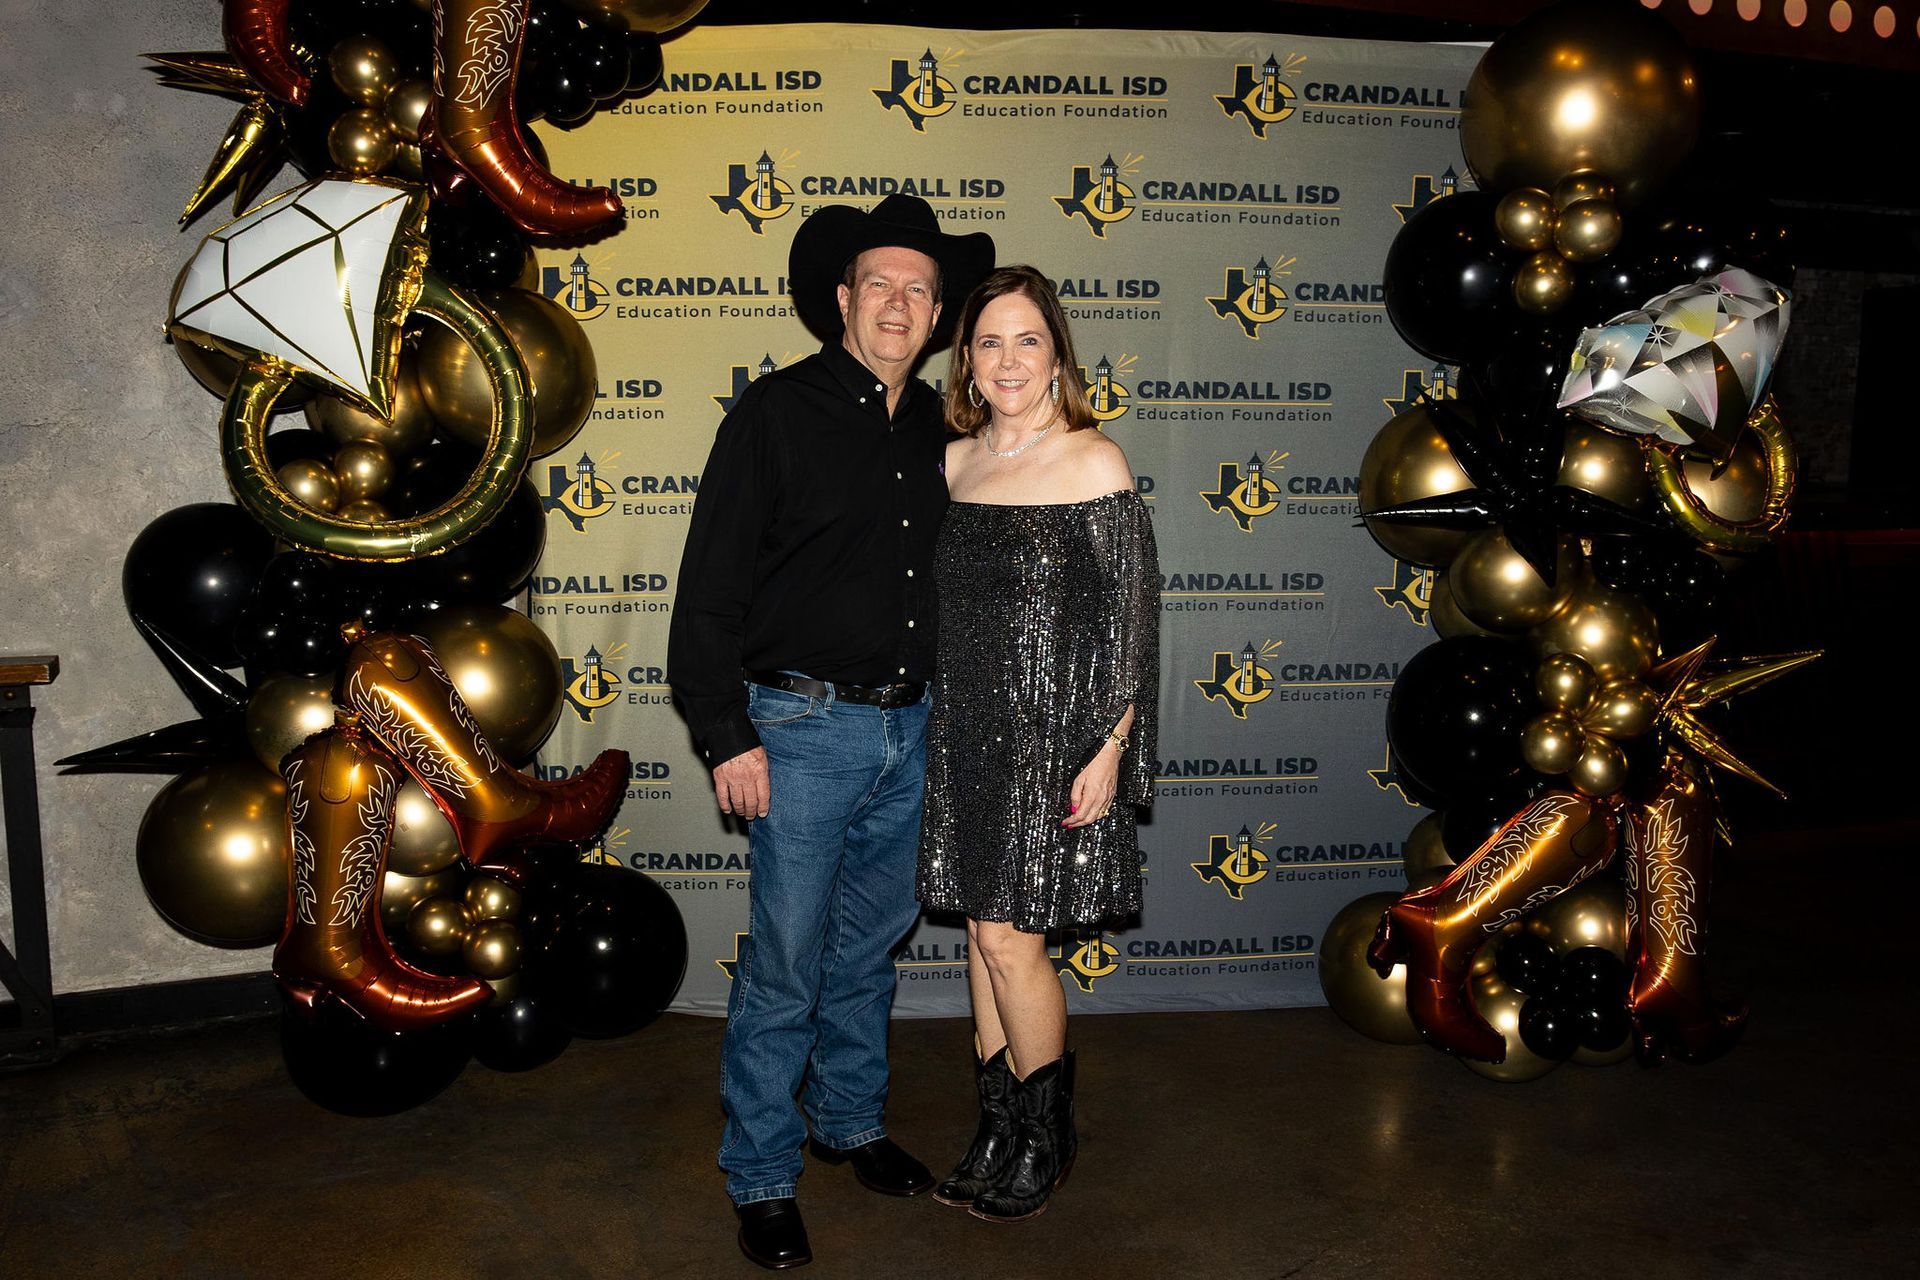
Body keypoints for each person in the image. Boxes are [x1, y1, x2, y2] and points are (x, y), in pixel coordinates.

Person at [668, 194, 994, 1271]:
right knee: (788, 963)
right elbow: (709, 590)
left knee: (870, 951)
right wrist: (727, 735)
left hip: (918, 728)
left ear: (940, 312)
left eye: (920, 288)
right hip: (799, 730)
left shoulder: (950, 432)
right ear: (843, 299)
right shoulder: (774, 412)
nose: (899, 302)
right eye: (880, 283)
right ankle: (761, 1170)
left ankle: (848, 1120)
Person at [917, 265, 1160, 1223]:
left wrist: (1109, 747)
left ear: (1055, 353)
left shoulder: (1095, 460)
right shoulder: (954, 464)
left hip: (1053, 740)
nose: (1007, 359)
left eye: (1027, 340)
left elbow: (1133, 625)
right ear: (966, 362)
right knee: (979, 940)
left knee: (1014, 942)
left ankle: (1046, 1138)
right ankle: (997, 1125)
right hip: (966, 733)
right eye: (988, 342)